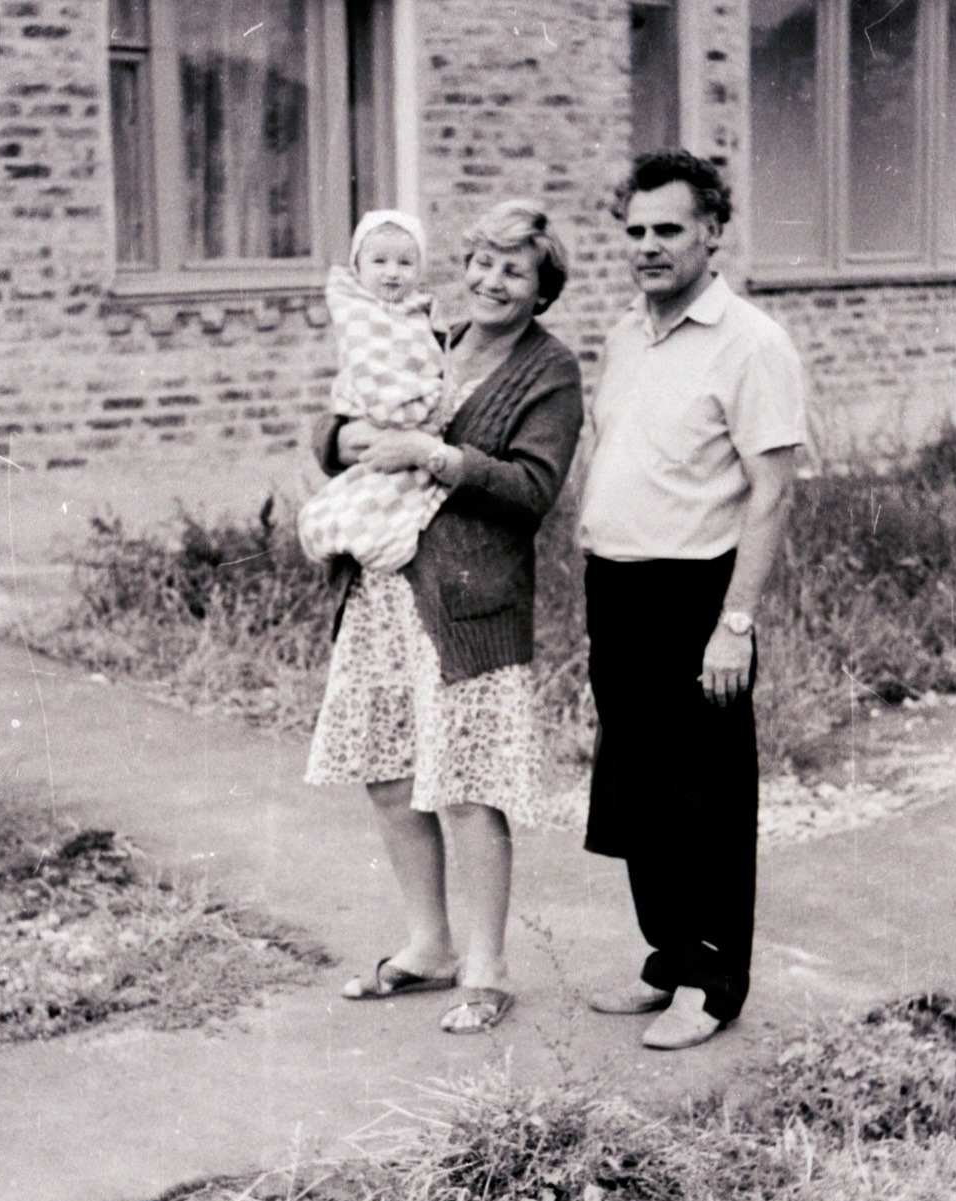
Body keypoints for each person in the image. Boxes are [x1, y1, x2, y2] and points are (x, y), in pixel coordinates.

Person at [306, 199, 584, 1033]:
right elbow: (340, 419)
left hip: (468, 602)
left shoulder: (550, 370)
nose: (491, 281)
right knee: (390, 773)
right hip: (384, 585)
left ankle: (487, 967)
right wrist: (343, 439)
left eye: (513, 270)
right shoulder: (430, 337)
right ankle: (427, 945)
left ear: (541, 288)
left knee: (465, 784)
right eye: (482, 263)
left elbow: (535, 488)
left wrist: (438, 455)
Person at [578, 150, 807, 1051]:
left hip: (696, 595)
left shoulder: (751, 342)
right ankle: (668, 958)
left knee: (704, 793)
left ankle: (713, 982)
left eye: (667, 228)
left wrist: (734, 625)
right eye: (633, 230)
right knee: (637, 789)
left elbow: (773, 491)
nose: (648, 246)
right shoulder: (624, 335)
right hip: (617, 588)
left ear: (712, 231)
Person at [297, 210, 449, 573]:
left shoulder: (422, 317)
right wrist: (410, 409)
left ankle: (385, 542)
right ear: (358, 268)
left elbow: (431, 363)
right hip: (376, 416)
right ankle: (350, 535)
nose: (392, 272)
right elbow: (370, 367)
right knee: (362, 489)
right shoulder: (359, 314)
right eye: (379, 261)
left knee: (398, 492)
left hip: (411, 441)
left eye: (405, 263)